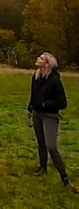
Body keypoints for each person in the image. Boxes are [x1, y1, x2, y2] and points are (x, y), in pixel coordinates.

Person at [28, 52, 75, 191]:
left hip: (49, 116)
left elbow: (62, 103)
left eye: (41, 58)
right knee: (41, 142)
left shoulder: (55, 81)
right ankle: (42, 167)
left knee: (51, 146)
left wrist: (44, 104)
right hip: (37, 114)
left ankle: (64, 178)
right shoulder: (36, 76)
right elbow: (33, 95)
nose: (38, 59)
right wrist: (30, 108)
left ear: (47, 64)